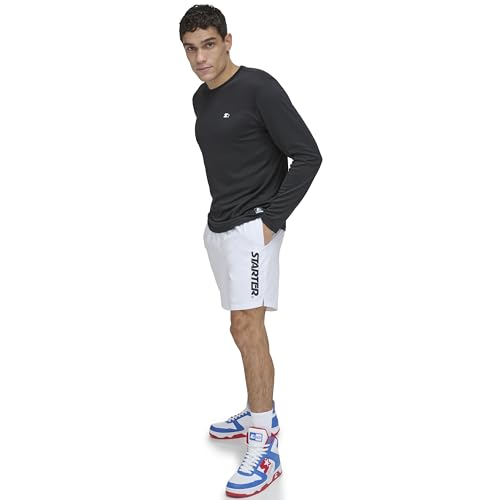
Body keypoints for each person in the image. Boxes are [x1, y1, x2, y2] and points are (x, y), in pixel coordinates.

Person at [179, 4, 322, 497]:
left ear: (228, 41)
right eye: (190, 49)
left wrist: (271, 220)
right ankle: (255, 409)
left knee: (248, 326)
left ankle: (266, 441)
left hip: (253, 229)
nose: (200, 57)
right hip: (219, 226)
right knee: (238, 327)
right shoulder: (201, 99)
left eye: (208, 45)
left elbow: (307, 154)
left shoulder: (259, 87)